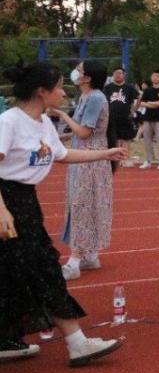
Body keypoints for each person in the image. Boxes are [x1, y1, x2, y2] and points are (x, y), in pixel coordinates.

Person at [0, 61, 126, 366]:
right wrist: (2, 210)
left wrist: (104, 154)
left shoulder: (44, 123)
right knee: (43, 268)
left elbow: (63, 154)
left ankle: (4, 339)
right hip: (6, 201)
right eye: (58, 87)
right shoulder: (9, 122)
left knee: (12, 271)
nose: (63, 92)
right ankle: (77, 342)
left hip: (25, 202)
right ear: (41, 92)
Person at [48, 61, 114, 281]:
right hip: (82, 158)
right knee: (80, 206)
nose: (76, 72)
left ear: (88, 77)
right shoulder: (86, 96)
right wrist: (61, 137)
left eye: (80, 70)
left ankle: (75, 261)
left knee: (82, 207)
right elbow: (81, 132)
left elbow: (85, 132)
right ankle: (89, 256)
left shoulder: (95, 97)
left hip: (91, 161)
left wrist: (62, 115)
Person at [103, 67, 139, 168]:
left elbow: (138, 98)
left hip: (125, 117)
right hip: (111, 118)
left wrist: (134, 110)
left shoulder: (129, 88)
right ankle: (115, 160)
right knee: (113, 139)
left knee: (126, 139)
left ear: (124, 75)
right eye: (115, 73)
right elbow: (103, 101)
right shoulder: (108, 88)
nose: (118, 75)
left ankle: (125, 159)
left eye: (120, 73)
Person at [139, 70, 159, 170]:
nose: (155, 78)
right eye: (153, 76)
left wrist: (149, 103)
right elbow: (142, 103)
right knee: (147, 141)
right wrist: (152, 104)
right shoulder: (147, 91)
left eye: (157, 76)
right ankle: (148, 160)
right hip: (147, 118)